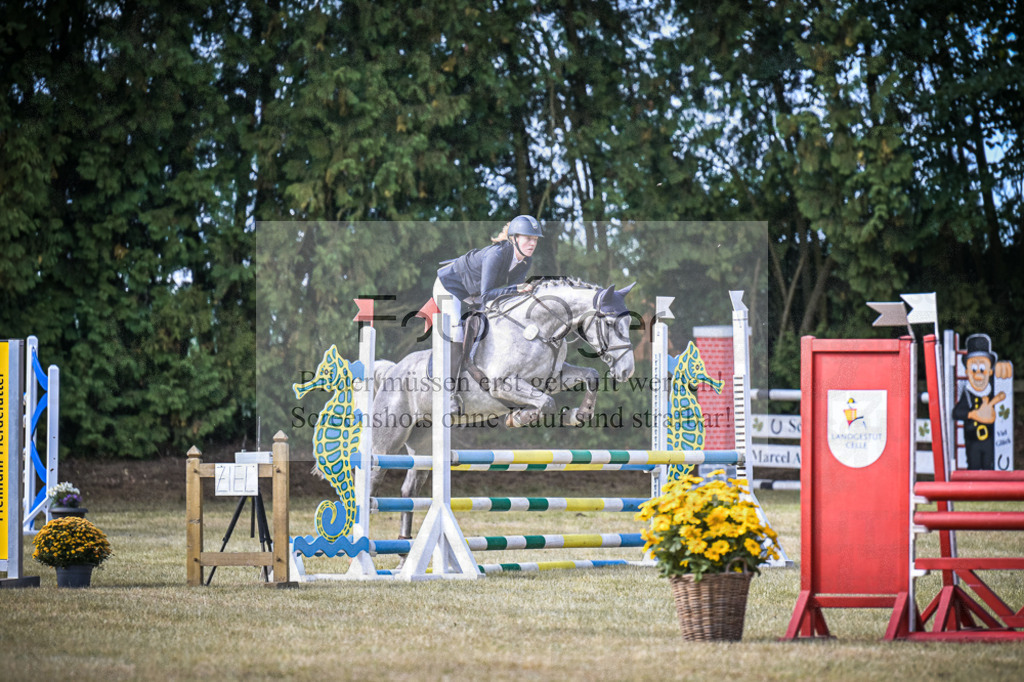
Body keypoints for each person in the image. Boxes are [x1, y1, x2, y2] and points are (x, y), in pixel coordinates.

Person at [433, 215, 543, 413]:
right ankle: (448, 393)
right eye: (528, 238)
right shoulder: (497, 254)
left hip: (473, 292)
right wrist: (517, 289)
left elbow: (509, 298)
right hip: (449, 287)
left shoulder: (525, 261)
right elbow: (487, 295)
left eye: (535, 239)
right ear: (514, 238)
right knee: (457, 332)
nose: (532, 243)